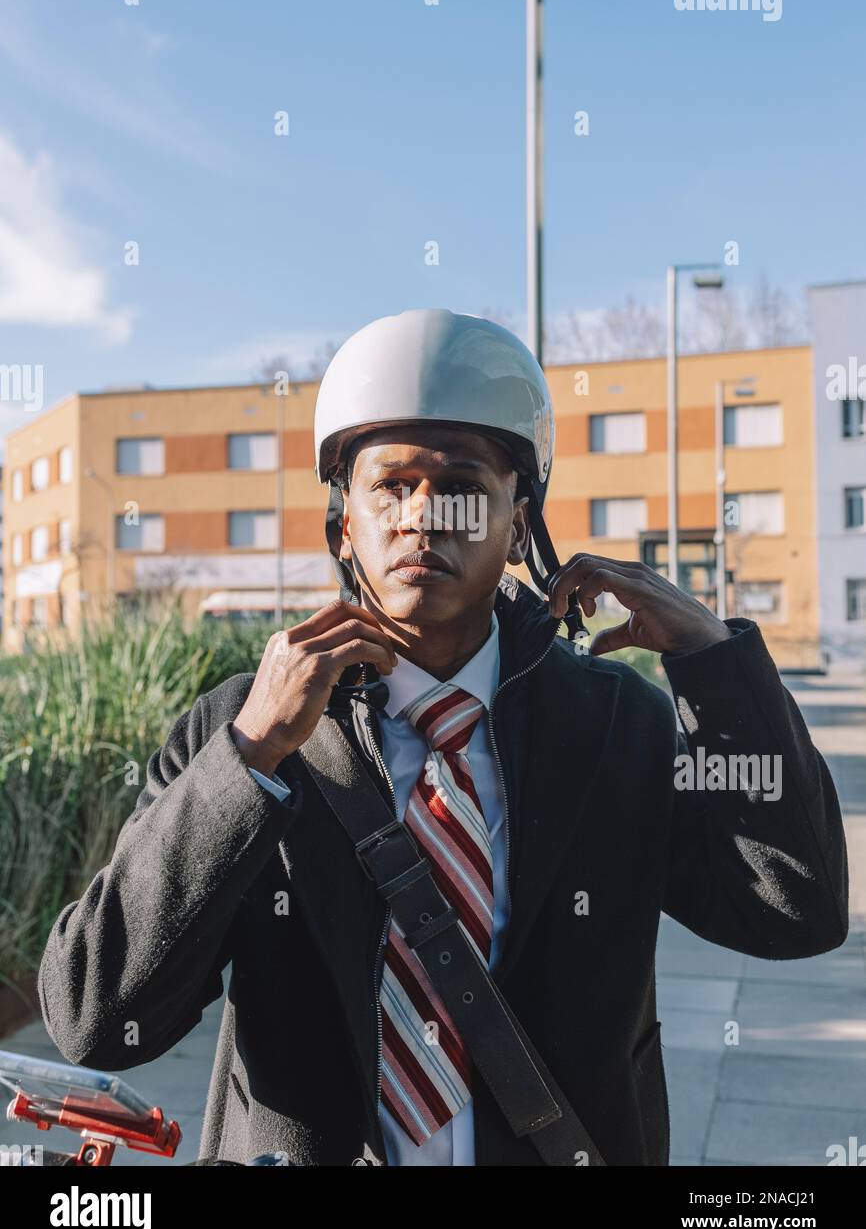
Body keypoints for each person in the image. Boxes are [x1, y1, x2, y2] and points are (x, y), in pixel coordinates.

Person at [37, 309, 849, 1166]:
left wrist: (716, 667)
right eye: (389, 486)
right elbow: (96, 1017)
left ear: (517, 519)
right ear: (342, 523)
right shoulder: (238, 727)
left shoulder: (616, 723)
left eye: (461, 482)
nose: (423, 515)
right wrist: (247, 760)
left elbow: (795, 909)